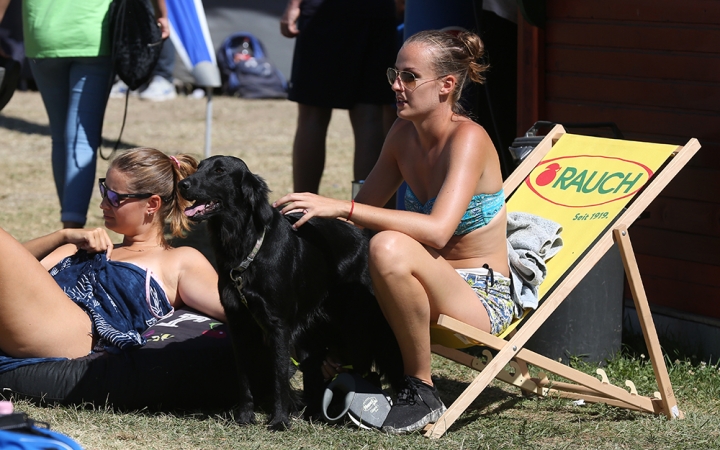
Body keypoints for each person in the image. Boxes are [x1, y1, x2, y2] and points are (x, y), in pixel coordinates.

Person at [274, 30, 514, 434]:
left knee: (386, 246)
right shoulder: (403, 136)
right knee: (355, 248)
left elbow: (437, 232)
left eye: (409, 77)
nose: (395, 86)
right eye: (394, 74)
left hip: (478, 297)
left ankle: (421, 390)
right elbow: (355, 219)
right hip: (417, 288)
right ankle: (340, 354)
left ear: (446, 86)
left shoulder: (468, 138)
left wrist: (343, 206)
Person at [0, 148, 225, 364]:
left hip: (77, 333)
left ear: (151, 204)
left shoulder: (179, 260)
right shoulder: (79, 247)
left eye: (114, 197)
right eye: (103, 191)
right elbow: (16, 274)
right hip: (43, 316)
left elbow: (236, 312)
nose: (102, 204)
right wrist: (63, 236)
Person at [11, 0, 170, 229]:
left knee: (60, 137)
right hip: (93, 36)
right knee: (81, 140)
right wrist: (161, 13)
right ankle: (72, 229)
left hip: (43, 33)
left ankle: (69, 227)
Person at [280, 0, 398, 194]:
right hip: (376, 11)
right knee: (369, 117)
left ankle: (301, 211)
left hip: (325, 14)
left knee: (312, 117)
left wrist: (294, 5)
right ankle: (364, 213)